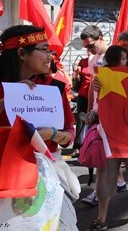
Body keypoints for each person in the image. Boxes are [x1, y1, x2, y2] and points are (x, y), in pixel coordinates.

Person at [0, 25, 77, 229]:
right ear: (21, 53)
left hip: (48, 177)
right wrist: (7, 99)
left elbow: (70, 135)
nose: (50, 55)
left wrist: (51, 134)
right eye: (44, 49)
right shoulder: (2, 88)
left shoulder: (54, 87)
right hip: (5, 180)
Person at [88, 45, 128, 231]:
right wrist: (91, 114)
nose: (126, 62)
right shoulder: (99, 80)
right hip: (108, 136)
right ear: (114, 61)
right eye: (123, 59)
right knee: (104, 175)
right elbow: (96, 107)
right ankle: (101, 218)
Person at [80, 25, 109, 207]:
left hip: (115, 113)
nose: (89, 51)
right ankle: (99, 194)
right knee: (100, 155)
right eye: (85, 48)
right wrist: (91, 111)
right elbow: (92, 87)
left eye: (90, 46)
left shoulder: (115, 55)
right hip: (100, 114)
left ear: (100, 38)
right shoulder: (93, 60)